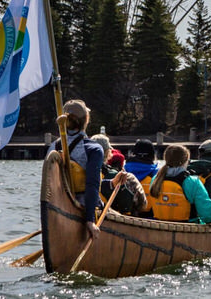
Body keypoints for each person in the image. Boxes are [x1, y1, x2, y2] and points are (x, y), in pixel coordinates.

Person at [47, 99, 104, 241]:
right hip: (83, 209)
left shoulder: (52, 148)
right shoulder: (94, 149)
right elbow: (92, 185)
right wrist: (90, 221)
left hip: (57, 210)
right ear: (86, 120)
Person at [149, 144, 211, 224]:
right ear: (186, 161)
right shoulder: (193, 182)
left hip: (160, 227)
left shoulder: (155, 180)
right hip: (186, 228)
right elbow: (207, 214)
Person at [91, 133, 146, 215]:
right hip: (111, 217)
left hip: (93, 211)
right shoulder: (117, 176)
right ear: (107, 152)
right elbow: (129, 206)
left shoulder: (84, 171)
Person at [123, 139, 160, 218]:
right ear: (153, 155)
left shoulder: (123, 170)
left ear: (133, 153)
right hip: (149, 216)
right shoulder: (157, 173)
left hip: (125, 215)